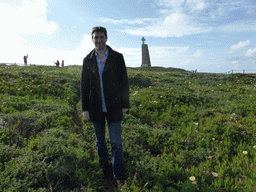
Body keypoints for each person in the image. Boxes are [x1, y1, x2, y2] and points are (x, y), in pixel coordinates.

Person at [80, 26, 129, 188]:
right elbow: (84, 86)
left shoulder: (117, 57)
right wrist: (84, 108)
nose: (99, 40)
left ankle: (119, 175)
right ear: (92, 39)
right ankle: (105, 171)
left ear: (106, 38)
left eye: (101, 37)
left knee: (116, 142)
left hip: (114, 106)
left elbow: (124, 83)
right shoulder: (87, 60)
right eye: (96, 37)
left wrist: (125, 104)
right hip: (95, 107)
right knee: (100, 142)